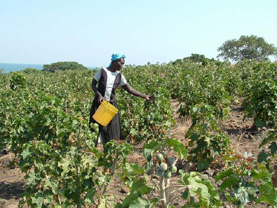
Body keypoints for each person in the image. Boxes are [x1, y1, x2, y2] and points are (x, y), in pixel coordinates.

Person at [89, 53, 153, 149]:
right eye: (121, 63)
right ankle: (91, 150)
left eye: (123, 64)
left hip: (111, 106)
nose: (122, 66)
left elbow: (129, 89)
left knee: (112, 130)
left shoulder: (119, 76)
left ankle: (109, 151)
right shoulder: (102, 71)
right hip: (99, 104)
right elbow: (93, 84)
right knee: (94, 127)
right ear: (114, 62)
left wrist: (144, 96)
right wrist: (99, 95)